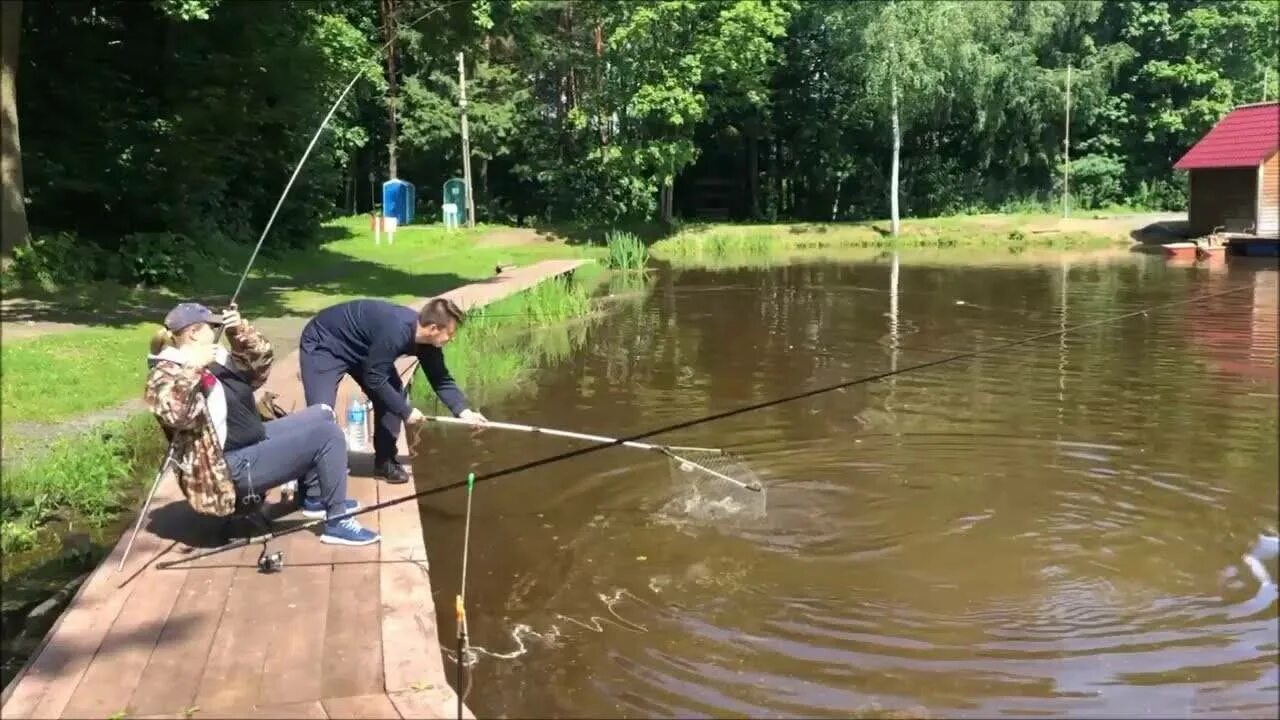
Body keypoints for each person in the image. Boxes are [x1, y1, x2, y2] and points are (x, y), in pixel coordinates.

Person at [144, 302, 379, 546]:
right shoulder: (165, 373)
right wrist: (194, 368)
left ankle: (318, 499)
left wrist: (240, 333)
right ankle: (338, 522)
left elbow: (258, 369)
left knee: (322, 414)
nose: (218, 331)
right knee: (328, 435)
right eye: (212, 327)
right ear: (193, 332)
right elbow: (176, 414)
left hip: (251, 441)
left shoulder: (215, 357)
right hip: (226, 470)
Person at [298, 297, 488, 484]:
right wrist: (406, 411)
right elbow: (375, 379)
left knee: (391, 396)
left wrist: (464, 411)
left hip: (366, 349)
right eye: (450, 334)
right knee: (321, 414)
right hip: (326, 342)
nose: (451, 339)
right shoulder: (396, 331)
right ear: (433, 329)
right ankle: (312, 490)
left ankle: (385, 462)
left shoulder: (428, 343)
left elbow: (440, 378)